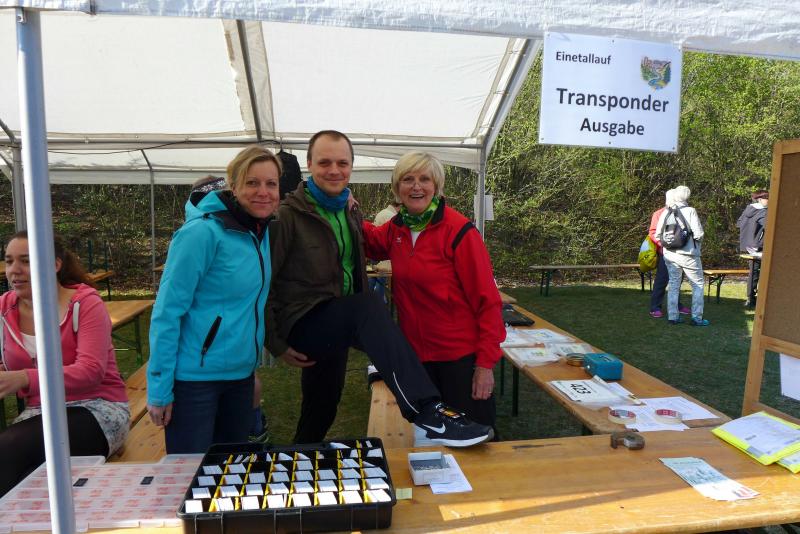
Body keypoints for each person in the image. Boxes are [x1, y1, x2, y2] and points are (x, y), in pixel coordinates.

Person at [266, 129, 493, 447]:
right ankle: (426, 409)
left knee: (322, 406)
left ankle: (297, 456)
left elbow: (368, 238)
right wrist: (275, 342)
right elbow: (264, 282)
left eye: (342, 163)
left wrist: (485, 362)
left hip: (429, 345)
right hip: (313, 322)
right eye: (325, 162)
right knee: (368, 306)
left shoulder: (453, 230)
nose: (334, 170)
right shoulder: (289, 215)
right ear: (309, 164)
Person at [147, 145, 279, 453]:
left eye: (271, 183)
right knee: (190, 475)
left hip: (241, 377)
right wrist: (159, 389)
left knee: (229, 471)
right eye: (252, 182)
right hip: (195, 381)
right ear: (233, 186)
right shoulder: (201, 233)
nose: (263, 192)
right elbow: (167, 312)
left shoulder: (258, 231)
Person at [361, 152, 505, 432]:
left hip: (459, 360)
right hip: (417, 359)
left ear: (436, 186)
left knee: (475, 438)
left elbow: (488, 302)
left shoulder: (460, 231)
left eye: (424, 179)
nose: (416, 186)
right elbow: (369, 240)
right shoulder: (397, 228)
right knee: (430, 437)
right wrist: (346, 210)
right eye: (408, 179)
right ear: (397, 188)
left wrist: (485, 365)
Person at [0, 231, 129, 497]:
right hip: (39, 412)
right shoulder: (4, 309)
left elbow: (91, 371)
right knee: (25, 477)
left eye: (26, 260)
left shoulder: (85, 303)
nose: (15, 270)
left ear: (55, 264)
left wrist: (23, 378)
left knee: (9, 449)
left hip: (98, 408)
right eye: (9, 261)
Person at [655, 185, 709, 326]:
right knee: (697, 284)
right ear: (687, 196)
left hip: (670, 254)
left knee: (673, 284)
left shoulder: (666, 212)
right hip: (689, 255)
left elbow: (657, 234)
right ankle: (697, 317)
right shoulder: (691, 211)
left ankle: (673, 316)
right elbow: (699, 234)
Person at [648, 189, 689, 318]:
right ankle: (655, 307)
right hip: (665, 253)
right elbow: (653, 233)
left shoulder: (683, 212)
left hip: (681, 253)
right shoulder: (658, 214)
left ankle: (677, 305)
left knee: (677, 281)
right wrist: (664, 245)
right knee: (661, 280)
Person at [737, 190, 768, 254]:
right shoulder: (763, 212)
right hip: (758, 247)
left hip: (747, 246)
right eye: (767, 198)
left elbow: (739, 223)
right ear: (760, 199)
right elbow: (769, 227)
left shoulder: (748, 209)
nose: (770, 200)